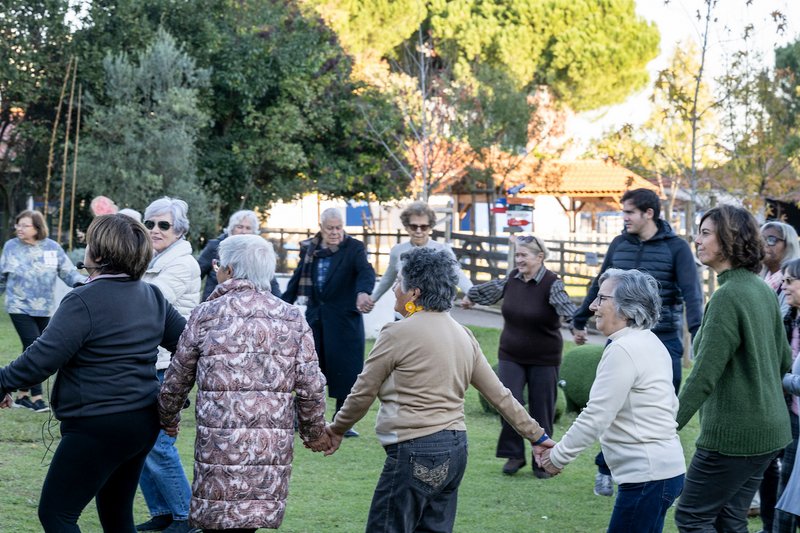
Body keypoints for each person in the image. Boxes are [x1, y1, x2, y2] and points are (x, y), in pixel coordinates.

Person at [320, 248, 555, 532]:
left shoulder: (396, 333)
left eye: (399, 281)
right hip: (456, 451)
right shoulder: (463, 334)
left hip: (414, 450)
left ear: (414, 293)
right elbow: (501, 396)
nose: (395, 288)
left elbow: (362, 393)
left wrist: (337, 429)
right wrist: (538, 435)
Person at [0, 214, 187, 532]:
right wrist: (174, 395)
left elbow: (41, 359)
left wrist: (2, 381)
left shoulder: (82, 299)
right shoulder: (152, 296)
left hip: (99, 423)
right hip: (141, 421)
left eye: (88, 243)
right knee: (116, 512)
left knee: (57, 514)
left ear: (98, 255)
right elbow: (190, 347)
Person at [158, 235, 329, 532]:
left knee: (219, 519)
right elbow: (311, 385)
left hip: (220, 445)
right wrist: (314, 432)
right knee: (248, 521)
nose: (215, 270)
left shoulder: (207, 314)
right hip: (269, 447)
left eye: (217, 265)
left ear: (229, 269)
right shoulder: (290, 317)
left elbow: (177, 377)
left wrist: (167, 417)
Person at [571, 188, 703, 497]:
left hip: (664, 339)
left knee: (661, 407)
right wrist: (580, 318)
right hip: (622, 337)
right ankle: (606, 468)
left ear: (649, 213)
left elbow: (692, 292)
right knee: (610, 402)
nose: (624, 217)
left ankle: (660, 467)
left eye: (629, 212)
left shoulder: (677, 248)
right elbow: (600, 284)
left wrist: (698, 332)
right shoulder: (620, 243)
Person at [674, 204, 792, 532]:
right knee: (729, 519)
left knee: (692, 517)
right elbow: (784, 360)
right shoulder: (763, 290)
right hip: (771, 432)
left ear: (729, 240)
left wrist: (669, 424)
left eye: (706, 233)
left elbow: (703, 375)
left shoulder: (727, 297)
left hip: (734, 437)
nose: (697, 239)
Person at [540, 268, 685, 532]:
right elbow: (670, 406)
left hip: (649, 477)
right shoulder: (649, 341)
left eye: (602, 298)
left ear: (628, 309)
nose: (593, 305)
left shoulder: (623, 349)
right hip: (663, 473)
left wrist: (557, 457)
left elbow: (597, 415)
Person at [463, 234, 576, 477]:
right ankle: (514, 455)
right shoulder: (511, 280)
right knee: (508, 403)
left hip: (544, 357)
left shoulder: (552, 282)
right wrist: (470, 297)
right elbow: (487, 290)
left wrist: (577, 327)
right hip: (511, 354)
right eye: (517, 255)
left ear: (540, 257)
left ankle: (543, 460)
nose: (519, 260)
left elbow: (565, 307)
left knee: (542, 408)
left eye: (524, 255)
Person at [137, 197, 201, 533]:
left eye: (163, 224)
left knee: (160, 442)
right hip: (149, 359)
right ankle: (162, 511)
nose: (155, 230)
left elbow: (148, 299)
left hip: (167, 364)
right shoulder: (150, 258)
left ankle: (185, 515)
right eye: (149, 223)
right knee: (142, 442)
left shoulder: (181, 264)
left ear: (179, 229)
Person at [282, 207, 375, 437]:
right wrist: (280, 306)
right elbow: (296, 280)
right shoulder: (310, 249)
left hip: (345, 321)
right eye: (330, 228)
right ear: (321, 227)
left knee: (347, 371)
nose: (335, 232)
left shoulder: (354, 248)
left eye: (338, 228)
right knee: (310, 371)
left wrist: (363, 292)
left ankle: (342, 421)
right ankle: (303, 418)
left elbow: (366, 272)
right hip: (316, 319)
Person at [0, 210, 85, 413]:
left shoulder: (52, 248)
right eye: (18, 225)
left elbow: (67, 271)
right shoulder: (11, 246)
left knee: (34, 346)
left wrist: (83, 285)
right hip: (19, 305)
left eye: (25, 225)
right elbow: (1, 275)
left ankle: (22, 395)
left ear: (37, 228)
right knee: (34, 344)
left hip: (44, 306)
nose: (19, 229)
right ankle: (36, 397)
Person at [756, 221, 800, 532]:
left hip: (792, 404)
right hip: (785, 403)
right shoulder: (767, 284)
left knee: (790, 483)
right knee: (780, 472)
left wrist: (776, 377)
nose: (765, 244)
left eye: (773, 239)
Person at [369, 201, 471, 308]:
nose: (418, 231)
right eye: (413, 226)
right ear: (406, 226)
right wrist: (373, 299)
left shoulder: (442, 251)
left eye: (423, 227)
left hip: (435, 312)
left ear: (430, 227)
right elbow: (388, 278)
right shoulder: (398, 251)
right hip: (405, 312)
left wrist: (471, 294)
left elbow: (458, 274)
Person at [196, 210, 281, 301]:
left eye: (248, 228)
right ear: (231, 228)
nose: (243, 231)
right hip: (215, 302)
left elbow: (270, 279)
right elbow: (196, 274)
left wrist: (280, 304)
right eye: (239, 227)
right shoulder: (215, 247)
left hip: (248, 305)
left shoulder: (257, 252)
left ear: (254, 232)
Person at [775, 257, 800, 532]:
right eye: (783, 281)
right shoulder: (788, 319)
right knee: (786, 485)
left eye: (790, 281)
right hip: (792, 414)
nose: (785, 287)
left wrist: (779, 379)